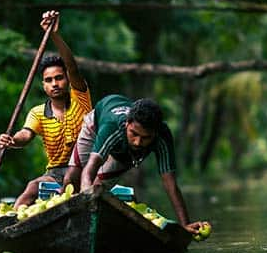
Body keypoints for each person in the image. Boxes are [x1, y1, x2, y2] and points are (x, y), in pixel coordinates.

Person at [63, 93, 205, 234]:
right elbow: (90, 168)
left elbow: (170, 184)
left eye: (146, 137)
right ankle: (64, 219)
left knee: (98, 189)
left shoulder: (162, 136)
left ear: (155, 133)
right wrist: (86, 200)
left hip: (123, 154)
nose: (138, 142)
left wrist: (185, 225)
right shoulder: (112, 127)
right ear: (127, 124)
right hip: (95, 127)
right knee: (71, 179)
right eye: (134, 133)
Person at [0, 10, 91, 209]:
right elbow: (25, 134)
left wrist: (54, 34)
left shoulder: (80, 99)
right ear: (44, 86)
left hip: (85, 170)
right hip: (55, 174)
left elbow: (72, 67)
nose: (55, 84)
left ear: (67, 80)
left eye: (59, 78)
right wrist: (12, 140)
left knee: (72, 184)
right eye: (49, 80)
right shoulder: (38, 112)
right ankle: (12, 221)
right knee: (31, 188)